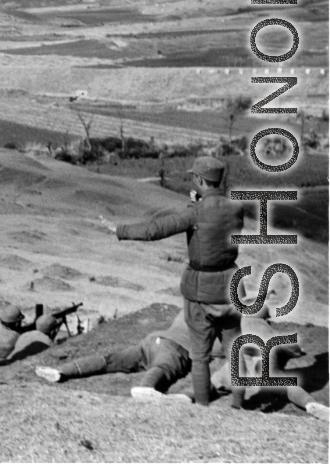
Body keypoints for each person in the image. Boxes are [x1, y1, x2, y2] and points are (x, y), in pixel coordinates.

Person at [102, 156, 247, 408]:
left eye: (195, 177)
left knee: (200, 355)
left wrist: (119, 230)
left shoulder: (194, 212)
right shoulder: (236, 207)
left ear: (200, 180)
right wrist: (198, 203)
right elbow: (214, 220)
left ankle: (201, 408)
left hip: (201, 289)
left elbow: (155, 230)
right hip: (231, 286)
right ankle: (238, 405)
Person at [35, 310, 193, 402]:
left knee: (111, 360)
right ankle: (146, 387)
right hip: (175, 346)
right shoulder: (213, 313)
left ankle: (61, 370)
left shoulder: (189, 305)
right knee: (163, 366)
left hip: (154, 340)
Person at [211, 310, 330, 422]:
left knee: (219, 379)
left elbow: (219, 348)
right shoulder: (264, 326)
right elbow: (291, 348)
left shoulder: (235, 323)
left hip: (241, 360)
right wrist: (298, 351)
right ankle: (309, 403)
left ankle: (194, 395)